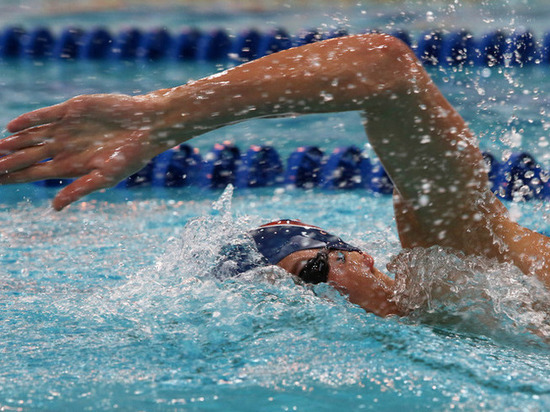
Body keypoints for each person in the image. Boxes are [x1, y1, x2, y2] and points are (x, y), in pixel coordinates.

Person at [1, 33, 550, 317]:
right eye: (300, 291)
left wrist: (161, 117)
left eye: (315, 272)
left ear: (363, 258)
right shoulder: (459, 296)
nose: (324, 294)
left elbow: (382, 68)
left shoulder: (467, 261)